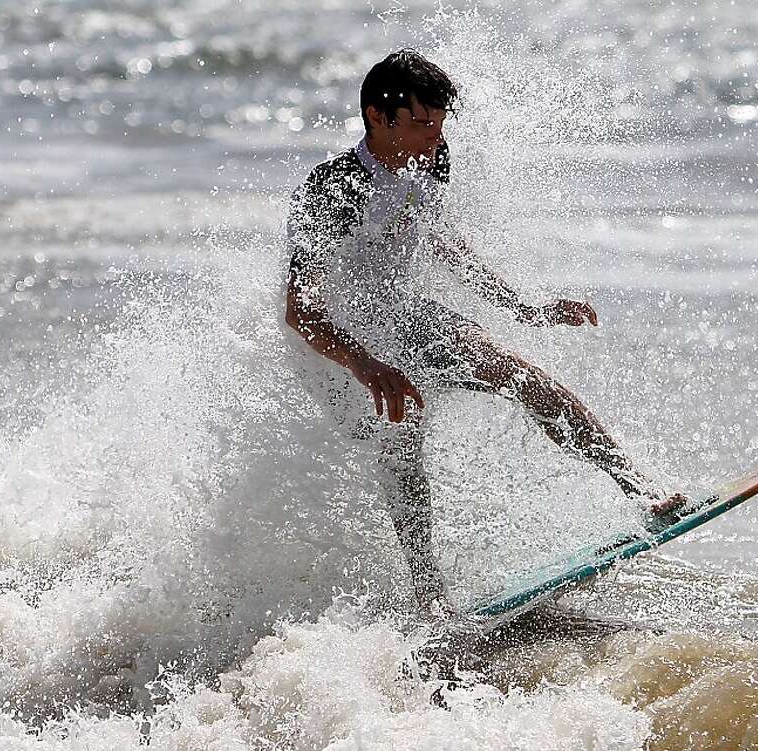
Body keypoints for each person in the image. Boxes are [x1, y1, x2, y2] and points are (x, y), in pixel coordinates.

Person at [285, 50, 684, 614]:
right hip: (348, 345)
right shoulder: (335, 187)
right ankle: (430, 601)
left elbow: (445, 245)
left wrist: (524, 308)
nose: (434, 135)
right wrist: (365, 365)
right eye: (422, 122)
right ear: (377, 116)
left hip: (408, 318)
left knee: (526, 379)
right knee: (404, 456)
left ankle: (639, 491)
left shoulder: (429, 160)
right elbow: (300, 312)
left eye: (440, 122)